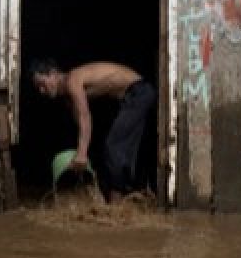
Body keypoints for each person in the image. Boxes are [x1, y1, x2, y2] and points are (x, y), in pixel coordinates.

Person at [30, 58, 155, 199]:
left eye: (42, 84)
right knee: (120, 146)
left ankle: (117, 203)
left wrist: (82, 153)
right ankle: (128, 191)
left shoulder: (72, 80)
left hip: (138, 91)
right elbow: (81, 126)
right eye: (38, 88)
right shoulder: (68, 98)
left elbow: (85, 117)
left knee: (114, 145)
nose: (41, 91)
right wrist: (80, 154)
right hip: (132, 96)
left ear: (53, 73)